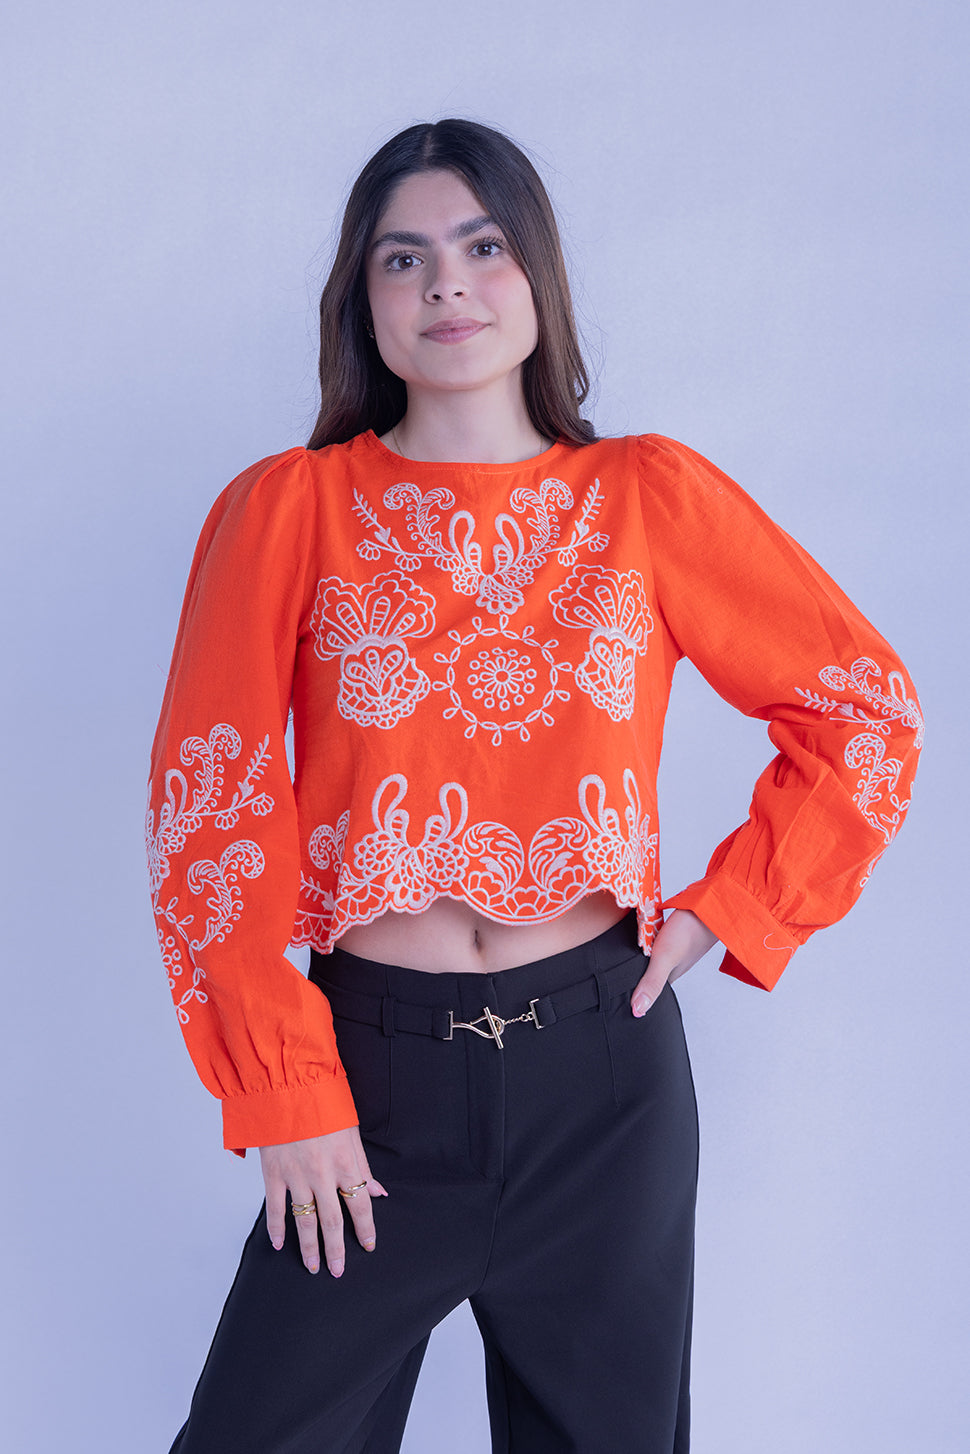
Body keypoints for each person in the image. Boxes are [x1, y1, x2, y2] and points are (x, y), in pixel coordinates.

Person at [146, 118, 923, 1453]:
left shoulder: (647, 496)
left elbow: (862, 710)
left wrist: (730, 909)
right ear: (362, 300)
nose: (447, 284)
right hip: (367, 1079)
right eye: (403, 258)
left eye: (482, 246)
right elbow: (207, 810)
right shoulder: (288, 509)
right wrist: (283, 1089)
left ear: (536, 276)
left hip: (603, 1081)